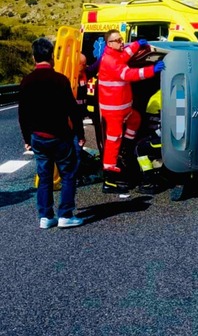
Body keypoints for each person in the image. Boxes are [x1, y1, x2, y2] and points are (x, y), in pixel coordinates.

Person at [18, 37, 85, 229]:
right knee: (68, 174)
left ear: (33, 58)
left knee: (44, 176)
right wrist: (80, 134)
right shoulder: (60, 80)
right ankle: (65, 214)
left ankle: (45, 216)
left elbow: (23, 114)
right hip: (60, 136)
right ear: (52, 56)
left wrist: (26, 139)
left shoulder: (27, 81)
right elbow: (73, 110)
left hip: (38, 137)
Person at [98, 29, 165, 194]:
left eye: (121, 39)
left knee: (135, 119)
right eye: (118, 40)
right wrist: (152, 70)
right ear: (109, 44)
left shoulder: (115, 54)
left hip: (124, 108)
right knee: (113, 142)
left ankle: (127, 145)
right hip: (114, 110)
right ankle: (109, 179)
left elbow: (125, 54)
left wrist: (136, 45)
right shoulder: (110, 61)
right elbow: (129, 74)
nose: (122, 42)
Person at [74, 53, 100, 185]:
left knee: (78, 147)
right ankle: (74, 177)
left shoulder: (85, 73)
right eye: (82, 65)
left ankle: (76, 174)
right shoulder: (68, 78)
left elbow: (95, 67)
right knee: (76, 149)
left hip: (79, 118)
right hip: (70, 120)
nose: (85, 66)